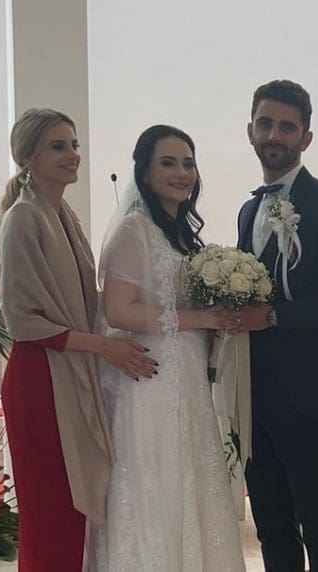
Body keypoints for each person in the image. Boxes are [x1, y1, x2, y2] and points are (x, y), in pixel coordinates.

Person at [0, 108, 157, 571]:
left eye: (74, 145)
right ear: (27, 157)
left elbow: (83, 300)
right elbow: (23, 321)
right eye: (57, 146)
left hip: (66, 367)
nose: (72, 155)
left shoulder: (61, 213)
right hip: (40, 377)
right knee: (49, 511)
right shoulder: (23, 218)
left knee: (69, 512)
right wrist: (107, 347)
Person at [94, 124, 246, 571]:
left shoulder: (180, 235)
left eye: (188, 163)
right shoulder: (134, 231)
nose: (181, 173)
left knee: (191, 482)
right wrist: (202, 319)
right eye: (168, 163)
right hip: (152, 381)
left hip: (188, 379)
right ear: (144, 172)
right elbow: (118, 310)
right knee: (155, 484)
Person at [234, 79, 318, 572]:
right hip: (253, 394)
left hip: (307, 394)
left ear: (306, 137)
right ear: (250, 130)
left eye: (287, 127)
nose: (275, 135)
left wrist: (274, 316)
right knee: (270, 523)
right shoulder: (249, 209)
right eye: (266, 124)